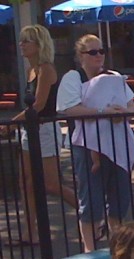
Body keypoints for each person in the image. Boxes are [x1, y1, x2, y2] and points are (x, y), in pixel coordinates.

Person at [57, 34, 134, 252]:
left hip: (117, 144)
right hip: (87, 145)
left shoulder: (113, 76)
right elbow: (68, 109)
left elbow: (131, 106)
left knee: (119, 199)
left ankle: (118, 247)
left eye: (102, 51)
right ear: (81, 55)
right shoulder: (73, 77)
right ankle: (90, 249)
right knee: (91, 199)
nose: (99, 56)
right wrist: (103, 112)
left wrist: (123, 113)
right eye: (93, 52)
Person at [0, 24, 77, 246]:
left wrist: (12, 124)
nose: (21, 45)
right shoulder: (30, 71)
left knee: (51, 183)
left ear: (38, 45)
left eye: (27, 41)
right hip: (30, 130)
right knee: (26, 182)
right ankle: (30, 233)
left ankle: (90, 216)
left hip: (45, 129)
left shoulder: (46, 69)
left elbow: (40, 104)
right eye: (22, 40)